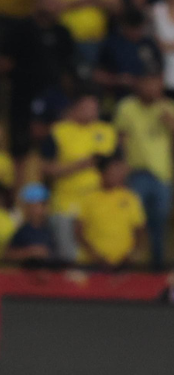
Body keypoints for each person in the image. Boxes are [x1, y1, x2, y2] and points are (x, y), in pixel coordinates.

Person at [113, 68, 174, 270]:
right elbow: (119, 141)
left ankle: (157, 265)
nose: (153, 87)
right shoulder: (126, 107)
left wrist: (173, 123)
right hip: (135, 173)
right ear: (138, 84)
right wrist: (121, 168)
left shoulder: (169, 107)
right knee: (133, 222)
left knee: (159, 223)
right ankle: (130, 263)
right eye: (148, 82)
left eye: (156, 82)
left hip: (161, 174)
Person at [0, 0, 74, 162]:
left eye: (55, 2)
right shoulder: (21, 28)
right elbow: (5, 62)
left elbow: (67, 68)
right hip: (23, 96)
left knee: (52, 149)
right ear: (37, 2)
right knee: (21, 148)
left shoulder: (62, 33)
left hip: (54, 97)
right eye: (48, 1)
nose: (52, 6)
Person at [43, 92, 117, 262]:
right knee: (69, 258)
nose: (91, 111)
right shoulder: (59, 131)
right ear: (74, 108)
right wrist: (80, 165)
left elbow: (119, 166)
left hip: (99, 206)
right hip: (66, 205)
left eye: (94, 107)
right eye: (86, 107)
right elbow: (45, 168)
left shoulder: (107, 131)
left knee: (98, 256)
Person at [76, 156, 146, 269]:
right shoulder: (88, 198)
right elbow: (78, 232)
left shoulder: (130, 198)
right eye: (113, 171)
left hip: (124, 265)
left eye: (119, 171)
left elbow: (140, 231)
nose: (117, 175)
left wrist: (131, 256)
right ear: (102, 173)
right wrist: (95, 256)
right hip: (93, 265)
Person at [6, 183, 55, 264]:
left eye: (42, 205)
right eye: (34, 206)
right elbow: (8, 254)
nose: (38, 210)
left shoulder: (52, 229)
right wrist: (30, 252)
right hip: (27, 273)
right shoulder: (23, 231)